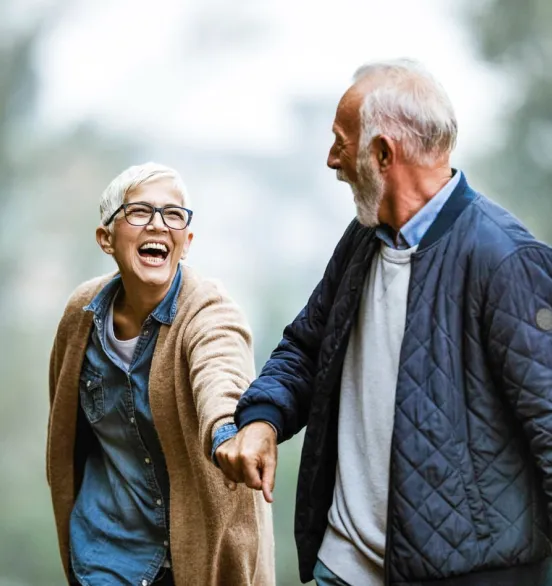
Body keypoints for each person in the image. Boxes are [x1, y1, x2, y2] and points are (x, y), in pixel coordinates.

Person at [215, 59, 552, 586]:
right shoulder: (361, 241)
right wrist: (262, 420)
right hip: (343, 567)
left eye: (340, 142)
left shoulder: (505, 258)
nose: (331, 160)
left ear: (382, 153)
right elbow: (306, 348)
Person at [47, 162, 275, 586]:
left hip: (194, 561)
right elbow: (65, 431)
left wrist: (226, 431)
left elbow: (221, 375)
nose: (158, 224)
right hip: (104, 554)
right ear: (106, 238)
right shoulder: (81, 315)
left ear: (186, 242)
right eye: (139, 212)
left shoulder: (209, 311)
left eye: (173, 215)